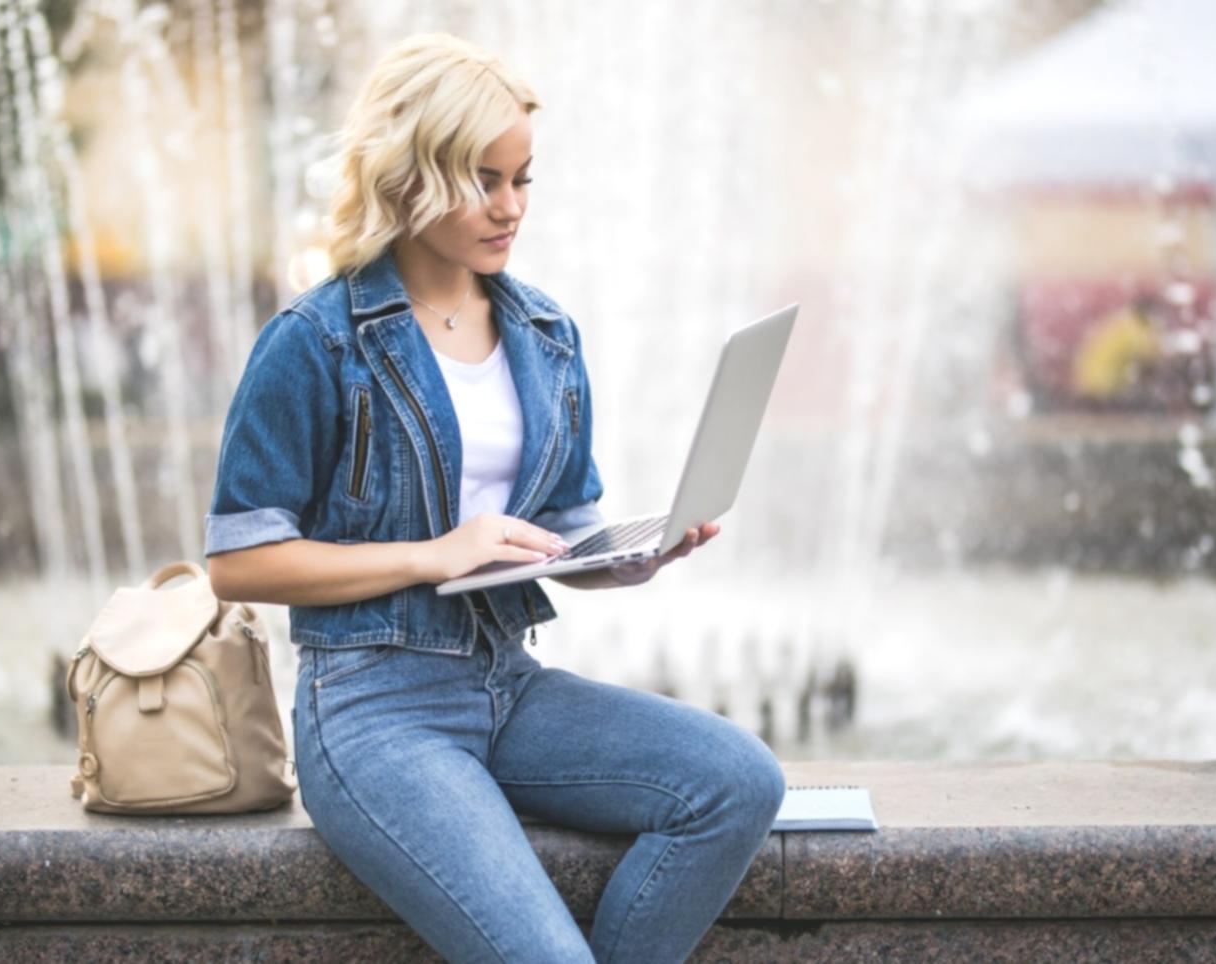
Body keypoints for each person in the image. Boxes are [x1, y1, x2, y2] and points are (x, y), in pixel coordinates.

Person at [203, 33, 786, 963]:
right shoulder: (315, 341)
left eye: (522, 178)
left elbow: (561, 529)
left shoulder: (545, 333)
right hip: (370, 711)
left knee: (736, 782)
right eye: (481, 179)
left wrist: (631, 556)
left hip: (506, 687)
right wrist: (434, 553)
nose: (510, 207)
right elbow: (236, 563)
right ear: (408, 177)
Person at [1070, 293, 1166, 410]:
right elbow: (1148, 363)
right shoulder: (1138, 329)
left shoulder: (1117, 322)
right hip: (1106, 389)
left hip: (1085, 382)